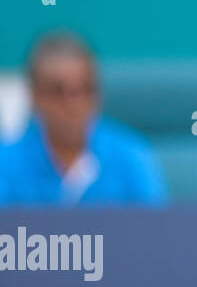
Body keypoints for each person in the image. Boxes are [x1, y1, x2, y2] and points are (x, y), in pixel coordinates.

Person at [0, 31, 168, 206]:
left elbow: (157, 229)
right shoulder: (5, 164)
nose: (74, 105)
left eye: (86, 89)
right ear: (35, 95)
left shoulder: (131, 157)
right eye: (59, 91)